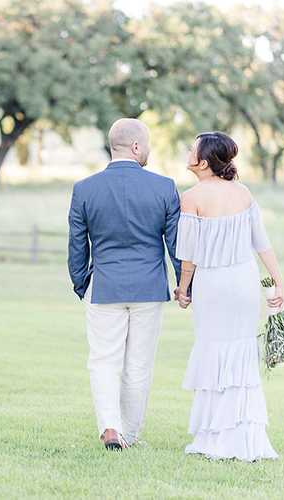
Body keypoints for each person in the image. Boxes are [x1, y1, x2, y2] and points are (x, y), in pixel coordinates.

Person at [67, 118, 182, 450]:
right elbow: (176, 246)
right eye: (146, 144)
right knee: (138, 365)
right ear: (135, 147)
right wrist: (184, 285)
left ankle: (111, 429)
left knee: (103, 360)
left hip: (103, 286)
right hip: (149, 288)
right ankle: (128, 435)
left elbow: (77, 246)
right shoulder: (164, 187)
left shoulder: (85, 189)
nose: (148, 149)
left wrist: (81, 284)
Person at [175, 131, 284, 461]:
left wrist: (182, 289)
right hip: (245, 282)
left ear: (203, 162)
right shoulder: (244, 193)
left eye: (192, 149)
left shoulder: (191, 197)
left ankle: (214, 438)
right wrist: (278, 282)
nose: (188, 152)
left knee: (213, 352)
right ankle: (245, 435)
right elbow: (261, 242)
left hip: (213, 285)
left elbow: (189, 256)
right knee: (240, 354)